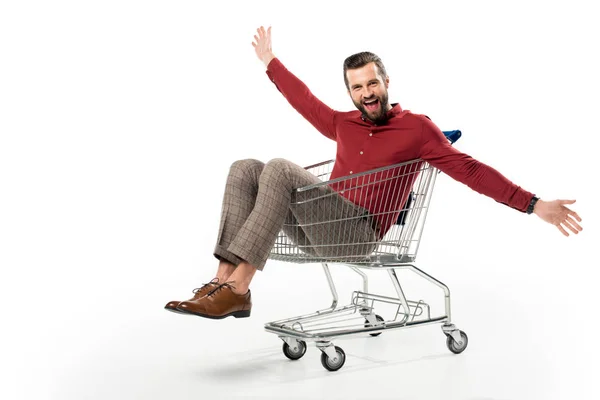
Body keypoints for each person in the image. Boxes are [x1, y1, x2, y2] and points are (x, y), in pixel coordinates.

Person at [164, 26, 583, 320]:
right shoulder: (343, 122)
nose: (366, 94)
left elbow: (470, 170)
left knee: (278, 168)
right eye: (357, 88)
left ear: (386, 81)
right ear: (350, 92)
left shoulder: (418, 129)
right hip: (319, 227)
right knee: (244, 168)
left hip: (357, 233)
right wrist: (271, 62)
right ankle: (221, 285)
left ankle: (239, 288)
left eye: (372, 84)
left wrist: (532, 204)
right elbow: (305, 100)